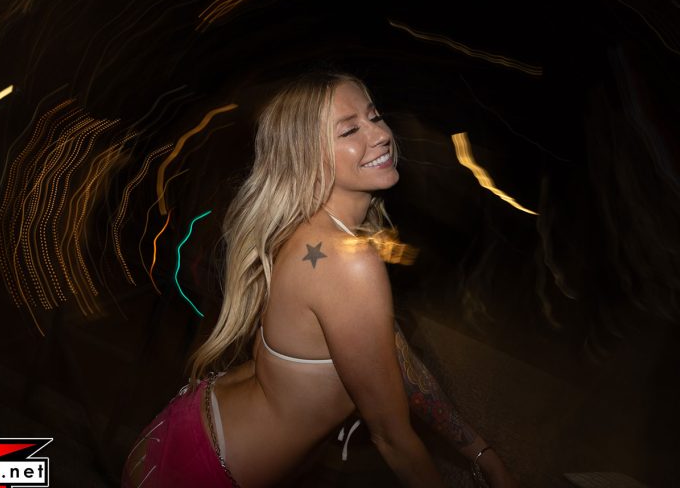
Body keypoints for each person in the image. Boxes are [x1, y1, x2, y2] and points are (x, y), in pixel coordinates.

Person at [122, 73, 518, 487]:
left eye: (374, 117)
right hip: (200, 472)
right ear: (305, 156)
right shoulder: (347, 262)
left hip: (185, 427)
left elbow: (395, 358)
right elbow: (392, 438)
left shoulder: (305, 228)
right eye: (349, 130)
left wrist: (479, 451)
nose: (381, 135)